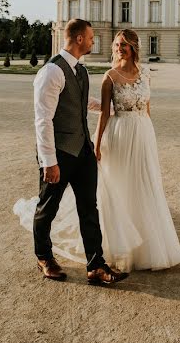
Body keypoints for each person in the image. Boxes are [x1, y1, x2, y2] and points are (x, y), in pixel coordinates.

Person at [19, 18, 128, 285]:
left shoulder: (79, 70)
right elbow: (43, 119)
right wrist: (48, 162)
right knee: (48, 207)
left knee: (89, 209)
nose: (93, 42)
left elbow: (80, 103)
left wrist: (111, 109)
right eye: (91, 38)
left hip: (83, 152)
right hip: (58, 153)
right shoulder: (51, 72)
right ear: (79, 39)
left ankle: (96, 266)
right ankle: (44, 257)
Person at [94, 29, 180, 271]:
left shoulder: (145, 75)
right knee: (121, 186)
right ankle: (120, 245)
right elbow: (104, 115)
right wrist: (96, 146)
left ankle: (147, 243)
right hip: (120, 134)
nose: (118, 48)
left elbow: (147, 109)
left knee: (144, 184)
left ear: (133, 47)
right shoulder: (109, 77)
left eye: (123, 44)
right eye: (116, 44)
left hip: (143, 133)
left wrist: (149, 136)